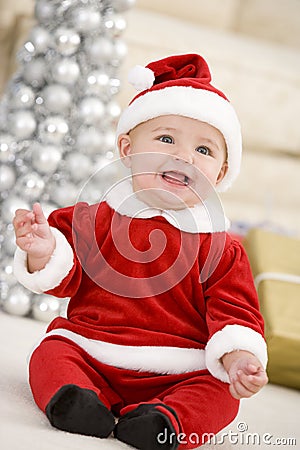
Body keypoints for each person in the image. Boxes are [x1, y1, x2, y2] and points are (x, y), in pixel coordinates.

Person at [13, 54, 268, 450]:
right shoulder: (95, 219)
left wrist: (237, 360)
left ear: (219, 174)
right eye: (166, 139)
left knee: (219, 395)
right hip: (93, 349)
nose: (183, 157)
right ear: (128, 149)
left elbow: (235, 313)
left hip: (179, 368)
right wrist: (45, 251)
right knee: (51, 352)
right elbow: (64, 276)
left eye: (204, 150)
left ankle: (165, 421)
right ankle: (76, 400)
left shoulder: (223, 248)